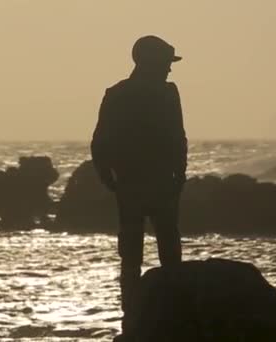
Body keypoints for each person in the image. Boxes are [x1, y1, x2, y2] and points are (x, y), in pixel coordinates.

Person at [90, 35, 188, 341]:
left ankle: (134, 317)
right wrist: (179, 176)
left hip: (134, 185)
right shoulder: (165, 94)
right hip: (156, 183)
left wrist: (108, 177)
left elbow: (99, 142)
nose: (169, 71)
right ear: (150, 62)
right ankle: (167, 315)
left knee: (133, 256)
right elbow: (178, 138)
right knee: (165, 252)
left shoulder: (118, 94)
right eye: (166, 64)